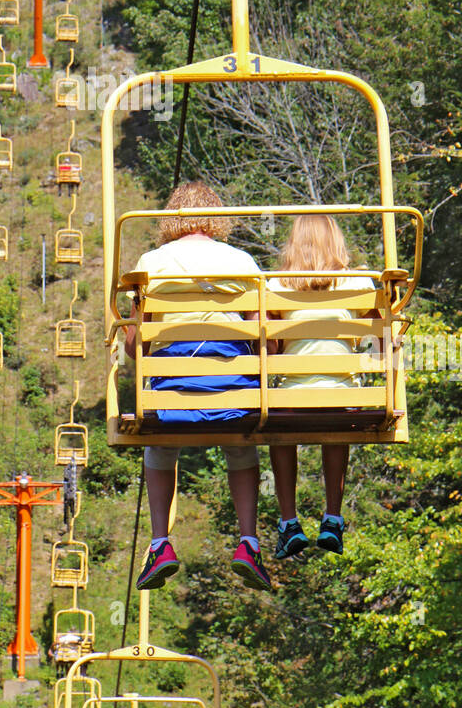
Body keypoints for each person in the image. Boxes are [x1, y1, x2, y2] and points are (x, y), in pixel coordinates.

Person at [124, 181, 274, 593]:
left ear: (172, 218)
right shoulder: (242, 262)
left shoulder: (150, 263)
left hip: (172, 397)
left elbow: (137, 347)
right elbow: (269, 336)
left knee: (159, 445)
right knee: (240, 443)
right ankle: (248, 542)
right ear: (217, 218)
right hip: (235, 394)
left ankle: (160, 543)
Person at [267, 214, 377, 558]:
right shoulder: (358, 284)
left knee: (279, 432)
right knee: (338, 421)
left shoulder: (275, 287)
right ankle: (332, 516)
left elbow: (269, 348)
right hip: (341, 398)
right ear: (336, 242)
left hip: (291, 399)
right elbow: (378, 338)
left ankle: (289, 521)